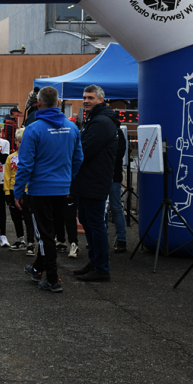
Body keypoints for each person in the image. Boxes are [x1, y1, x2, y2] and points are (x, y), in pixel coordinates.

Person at [14, 86, 83, 293]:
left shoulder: (33, 129)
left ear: (38, 104)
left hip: (40, 190)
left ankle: (52, 279)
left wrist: (18, 191)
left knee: (44, 235)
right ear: (58, 103)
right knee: (49, 231)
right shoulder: (72, 128)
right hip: (62, 189)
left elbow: (25, 164)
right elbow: (78, 159)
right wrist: (67, 179)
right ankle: (37, 269)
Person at [71, 85, 120, 282]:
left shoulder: (101, 122)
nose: (86, 101)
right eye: (84, 97)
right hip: (87, 180)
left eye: (90, 98)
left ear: (101, 99)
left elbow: (84, 150)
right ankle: (94, 263)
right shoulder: (94, 119)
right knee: (88, 222)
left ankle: (101, 268)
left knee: (95, 224)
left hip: (95, 181)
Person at [3, 127, 35, 253]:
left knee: (28, 218)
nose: (22, 144)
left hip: (28, 192)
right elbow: (6, 176)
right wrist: (7, 193)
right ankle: (20, 239)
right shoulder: (11, 157)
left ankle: (31, 242)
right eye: (20, 141)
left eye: (24, 141)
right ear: (15, 142)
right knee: (16, 217)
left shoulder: (33, 157)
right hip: (13, 190)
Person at [110, 122, 128, 253]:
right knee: (115, 207)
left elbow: (119, 153)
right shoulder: (118, 132)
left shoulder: (115, 132)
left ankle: (121, 239)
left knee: (114, 207)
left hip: (110, 175)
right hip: (113, 175)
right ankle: (121, 239)